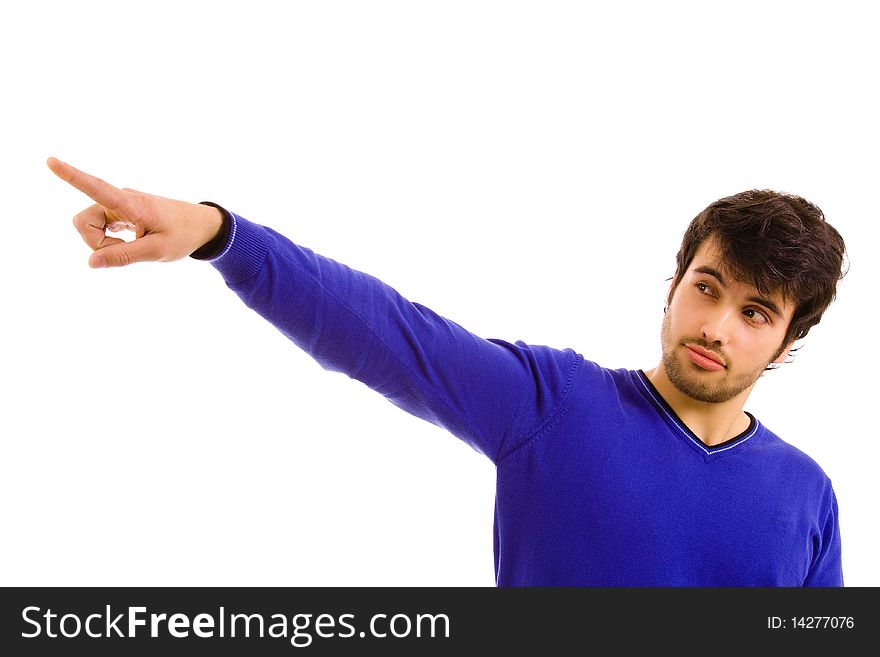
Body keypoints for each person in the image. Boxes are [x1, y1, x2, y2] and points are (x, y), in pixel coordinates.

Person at [47, 156, 847, 587]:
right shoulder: (556, 404)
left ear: (783, 342)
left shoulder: (805, 496)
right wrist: (221, 234)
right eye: (706, 288)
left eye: (754, 312)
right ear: (673, 288)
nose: (715, 325)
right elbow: (388, 333)